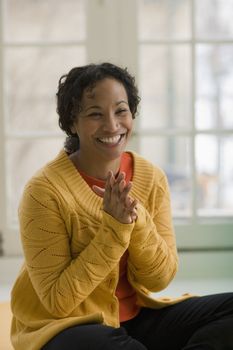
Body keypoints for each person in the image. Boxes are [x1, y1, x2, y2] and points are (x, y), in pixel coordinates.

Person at [11, 62, 233, 350]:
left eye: (121, 110)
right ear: (72, 122)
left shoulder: (151, 177)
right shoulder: (44, 191)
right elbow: (57, 301)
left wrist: (134, 219)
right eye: (94, 114)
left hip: (137, 320)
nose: (112, 125)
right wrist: (114, 229)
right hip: (67, 326)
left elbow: (159, 278)